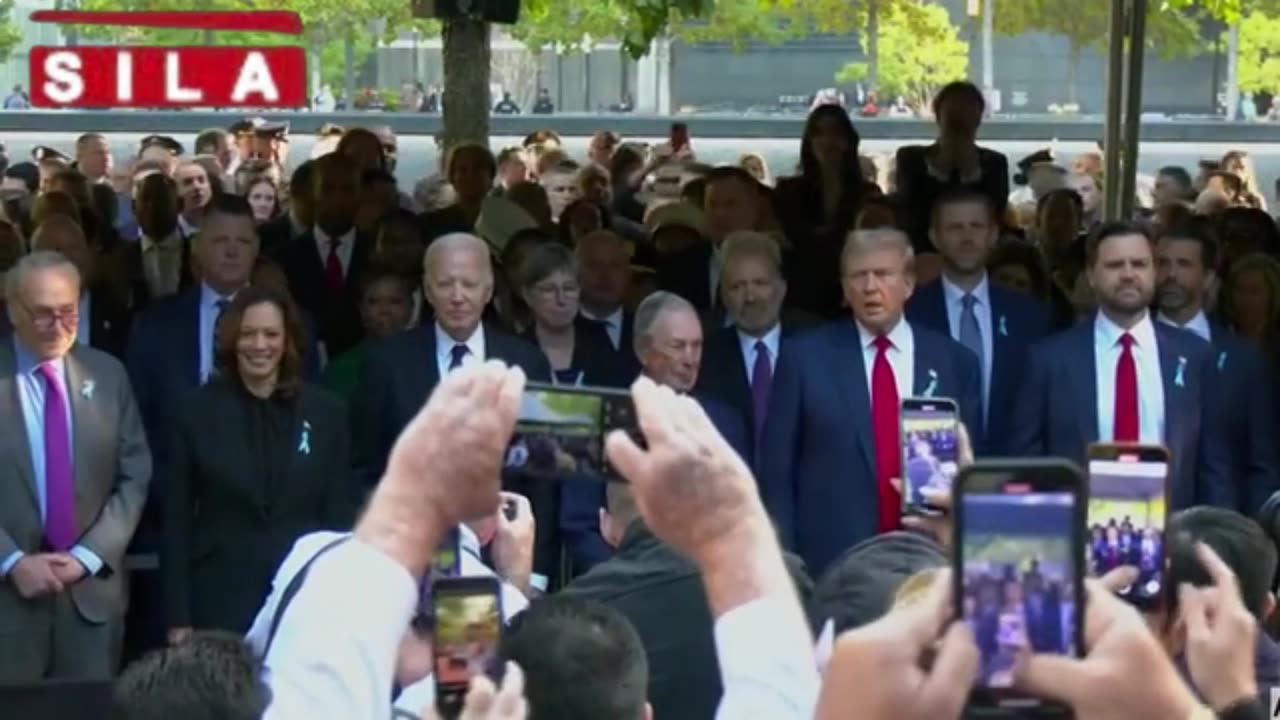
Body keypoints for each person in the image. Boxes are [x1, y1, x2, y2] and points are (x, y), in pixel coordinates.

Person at [760, 228, 982, 575]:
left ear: (908, 284)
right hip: (832, 565)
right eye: (858, 276)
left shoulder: (954, 362)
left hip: (928, 558)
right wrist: (787, 564)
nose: (869, 287)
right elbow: (777, 470)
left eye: (882, 274)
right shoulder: (803, 359)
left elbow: (971, 471)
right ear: (845, 288)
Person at [163, 286, 354, 640]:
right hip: (219, 602)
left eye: (271, 334)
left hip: (303, 601)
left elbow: (337, 517)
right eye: (248, 334)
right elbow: (176, 521)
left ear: (287, 341)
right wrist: (178, 617)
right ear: (232, 340)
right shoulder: (194, 412)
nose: (259, 345)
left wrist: (340, 603)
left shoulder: (327, 413)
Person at [0, 251, 151, 682]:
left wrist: (88, 555)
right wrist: (10, 561)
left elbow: (134, 475)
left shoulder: (107, 375)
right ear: (13, 309)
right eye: (43, 314)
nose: (59, 325)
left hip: (90, 608)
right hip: (8, 609)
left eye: (68, 312)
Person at [1008, 221, 1232, 510]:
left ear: (1154, 272)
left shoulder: (1197, 357)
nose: (1128, 275)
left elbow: (1215, 467)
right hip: (1078, 536)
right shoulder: (1048, 360)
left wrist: (1214, 538)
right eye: (1115, 265)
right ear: (1091, 275)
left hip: (1172, 538)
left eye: (1139, 264)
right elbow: (1025, 464)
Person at [905, 190, 1051, 451]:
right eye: (954, 227)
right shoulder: (910, 314)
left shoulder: (1031, 317)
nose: (967, 237)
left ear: (993, 235)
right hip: (933, 469)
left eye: (976, 226)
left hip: (1012, 475)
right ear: (934, 237)